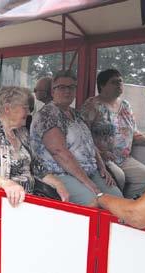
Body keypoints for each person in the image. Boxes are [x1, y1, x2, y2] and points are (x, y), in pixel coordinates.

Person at [30, 70, 123, 207]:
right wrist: (87, 182)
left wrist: (102, 168)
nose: (67, 91)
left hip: (89, 170)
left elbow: (88, 142)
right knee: (94, 203)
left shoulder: (75, 113)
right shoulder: (47, 115)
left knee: (118, 200)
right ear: (53, 91)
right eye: (62, 87)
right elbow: (59, 152)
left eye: (71, 87)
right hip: (60, 173)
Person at [0, 86, 69, 207]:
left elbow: (35, 166)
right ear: (7, 109)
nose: (29, 112)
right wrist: (6, 183)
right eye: (25, 108)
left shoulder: (21, 132)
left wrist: (58, 184)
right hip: (4, 201)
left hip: (28, 199)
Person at [81, 69, 145, 198]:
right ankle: (118, 205)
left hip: (123, 158)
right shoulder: (92, 105)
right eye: (114, 82)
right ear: (102, 85)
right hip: (102, 158)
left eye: (120, 81)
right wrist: (100, 153)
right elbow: (82, 136)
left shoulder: (125, 106)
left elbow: (135, 134)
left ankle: (128, 203)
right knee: (119, 177)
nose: (119, 85)